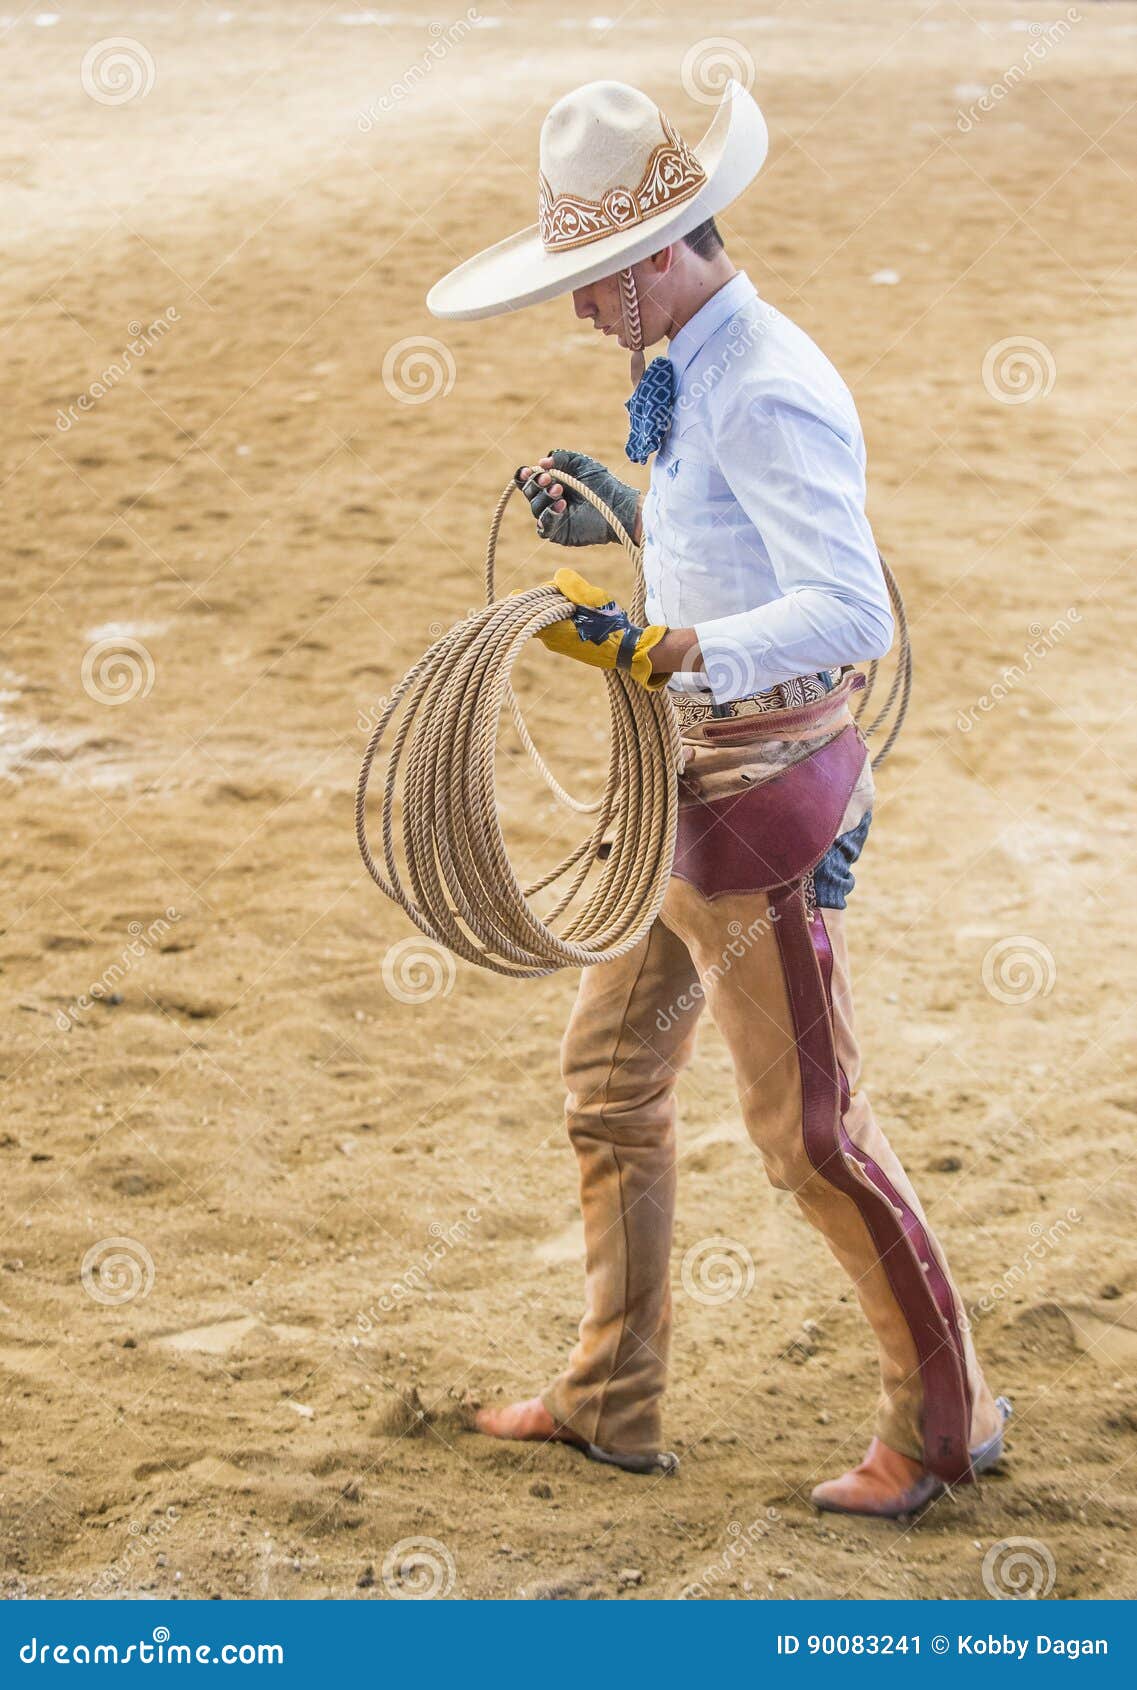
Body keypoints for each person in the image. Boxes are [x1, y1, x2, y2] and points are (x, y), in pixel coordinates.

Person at [427, 78, 1008, 1518]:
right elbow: (739, 550)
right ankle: (610, 1394)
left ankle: (949, 1421)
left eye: (587, 286)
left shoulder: (765, 380)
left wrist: (673, 646)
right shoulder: (700, 356)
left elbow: (843, 605)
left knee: (812, 1132)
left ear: (657, 256)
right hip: (683, 799)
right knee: (612, 1086)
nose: (572, 313)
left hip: (750, 803)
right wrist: (627, 526)